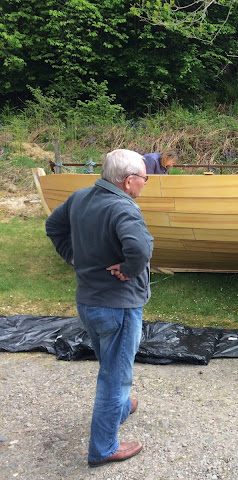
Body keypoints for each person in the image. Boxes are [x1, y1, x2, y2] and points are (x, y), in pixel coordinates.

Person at [45, 149, 154, 467]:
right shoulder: (124, 207)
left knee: (111, 363)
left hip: (89, 303)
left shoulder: (80, 197)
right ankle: (103, 448)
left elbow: (53, 225)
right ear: (129, 180)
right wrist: (129, 270)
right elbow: (141, 248)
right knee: (114, 377)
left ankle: (120, 409)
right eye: (144, 178)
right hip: (117, 307)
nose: (145, 183)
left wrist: (71, 255)